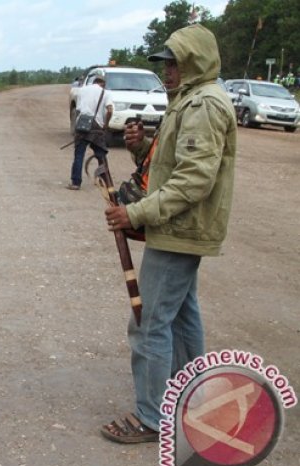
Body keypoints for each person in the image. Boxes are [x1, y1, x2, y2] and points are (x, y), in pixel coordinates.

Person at [100, 24, 236, 444]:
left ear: (194, 62)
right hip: (179, 227)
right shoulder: (189, 101)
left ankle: (152, 418)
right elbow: (174, 165)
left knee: (150, 323)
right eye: (165, 64)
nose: (168, 72)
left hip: (180, 229)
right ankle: (192, 397)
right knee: (181, 317)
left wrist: (135, 212)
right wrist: (142, 149)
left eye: (175, 63)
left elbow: (194, 180)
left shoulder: (203, 105)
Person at [66, 74, 113, 190]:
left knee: (79, 155)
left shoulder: (82, 91)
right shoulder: (105, 93)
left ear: (94, 82)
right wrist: (105, 125)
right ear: (103, 83)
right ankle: (107, 183)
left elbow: (78, 109)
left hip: (82, 125)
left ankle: (76, 183)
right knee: (101, 156)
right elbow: (110, 110)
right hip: (96, 127)